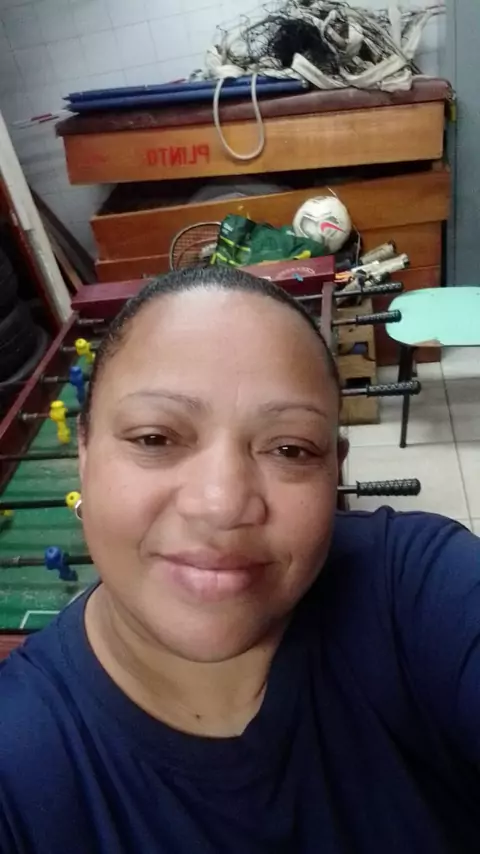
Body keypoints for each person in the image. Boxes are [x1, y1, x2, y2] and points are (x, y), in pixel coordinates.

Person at [1, 267, 479, 854]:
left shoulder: (418, 587)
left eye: (290, 449)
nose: (223, 504)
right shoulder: (16, 762)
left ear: (335, 468)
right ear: (84, 451)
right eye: (155, 438)